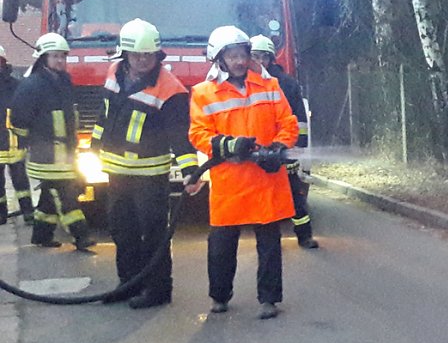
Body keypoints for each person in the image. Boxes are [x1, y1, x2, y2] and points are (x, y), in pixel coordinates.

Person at [90, 19, 203, 308]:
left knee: (154, 234)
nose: (143, 60)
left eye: (149, 55)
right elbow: (106, 114)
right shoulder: (114, 72)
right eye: (137, 55)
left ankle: (158, 290)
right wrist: (95, 144)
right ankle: (128, 284)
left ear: (157, 54)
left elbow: (179, 134)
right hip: (116, 170)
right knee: (122, 230)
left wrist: (190, 170)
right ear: (125, 53)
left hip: (150, 175)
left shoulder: (170, 89)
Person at [189, 26, 299, 319]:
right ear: (219, 58)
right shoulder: (203, 93)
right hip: (230, 181)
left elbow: (288, 123)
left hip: (265, 179)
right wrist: (228, 145)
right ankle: (220, 296)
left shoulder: (269, 85)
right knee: (221, 245)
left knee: (270, 244)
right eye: (233, 56)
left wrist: (278, 147)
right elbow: (199, 134)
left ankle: (269, 300)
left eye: (243, 55)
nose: (239, 61)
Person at [8, 33, 95, 250]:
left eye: (63, 56)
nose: (60, 61)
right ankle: (81, 236)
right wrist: (31, 141)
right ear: (43, 58)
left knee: (49, 196)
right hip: (45, 155)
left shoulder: (64, 81)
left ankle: (41, 235)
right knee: (65, 195)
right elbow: (18, 119)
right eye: (55, 56)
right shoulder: (32, 85)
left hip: (65, 153)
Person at [249, 35, 319, 248]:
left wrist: (298, 146)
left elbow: (299, 118)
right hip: (255, 149)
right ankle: (265, 235)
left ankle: (304, 236)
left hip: (284, 149)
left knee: (294, 194)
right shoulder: (243, 83)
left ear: (271, 59)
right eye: (255, 56)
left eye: (264, 57)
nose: (260, 61)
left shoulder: (286, 84)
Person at [0, 45, 34, 226]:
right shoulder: (16, 85)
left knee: (21, 182)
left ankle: (28, 213)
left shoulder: (16, 85)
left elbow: (25, 112)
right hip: (7, 143)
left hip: (15, 142)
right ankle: (1, 215)